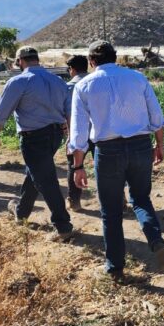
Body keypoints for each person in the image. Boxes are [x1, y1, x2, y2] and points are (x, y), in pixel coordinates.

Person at [70, 41, 164, 278]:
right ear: (115, 58)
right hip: (140, 146)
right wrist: (159, 146)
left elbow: (79, 132)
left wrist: (78, 165)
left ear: (91, 61)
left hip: (108, 151)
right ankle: (155, 239)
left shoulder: (84, 85)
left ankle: (115, 267)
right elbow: (156, 116)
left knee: (111, 211)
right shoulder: (137, 78)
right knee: (141, 199)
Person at [0, 47, 74, 241]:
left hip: (33, 136)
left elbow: (0, 115)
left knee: (45, 179)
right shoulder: (58, 80)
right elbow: (69, 111)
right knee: (36, 172)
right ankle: (21, 212)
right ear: (37, 59)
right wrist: (70, 135)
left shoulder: (19, 81)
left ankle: (63, 225)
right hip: (55, 134)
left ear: (20, 61)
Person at [64, 55, 92, 212]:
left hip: (77, 132)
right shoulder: (95, 82)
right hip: (99, 133)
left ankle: (74, 201)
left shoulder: (69, 87)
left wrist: (69, 136)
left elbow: (68, 114)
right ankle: (119, 199)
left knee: (74, 164)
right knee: (107, 167)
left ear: (71, 69)